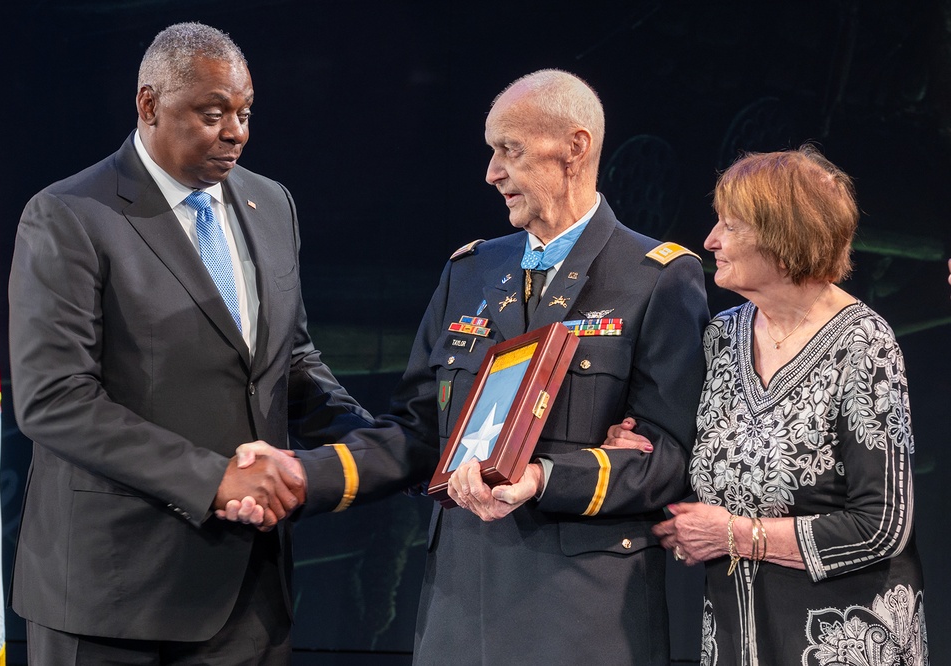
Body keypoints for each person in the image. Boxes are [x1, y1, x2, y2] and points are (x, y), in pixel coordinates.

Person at [228, 69, 709, 664]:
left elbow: (670, 458)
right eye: (491, 151)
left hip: (584, 615)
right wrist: (306, 473)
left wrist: (543, 477)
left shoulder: (657, 277)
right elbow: (419, 432)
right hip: (460, 605)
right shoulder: (470, 272)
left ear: (575, 148)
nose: (492, 173)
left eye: (511, 149)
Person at [8, 22, 378, 665]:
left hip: (250, 599)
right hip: (116, 598)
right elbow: (54, 399)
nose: (236, 131)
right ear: (149, 104)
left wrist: (366, 440)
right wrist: (215, 480)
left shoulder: (271, 203)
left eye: (244, 112)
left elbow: (286, 358)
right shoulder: (69, 215)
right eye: (213, 114)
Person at [649, 146, 929, 665]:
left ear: (783, 236)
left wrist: (735, 535)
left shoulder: (864, 344)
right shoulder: (719, 337)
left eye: (729, 226)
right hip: (737, 638)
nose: (710, 240)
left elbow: (883, 524)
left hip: (844, 641)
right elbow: (717, 468)